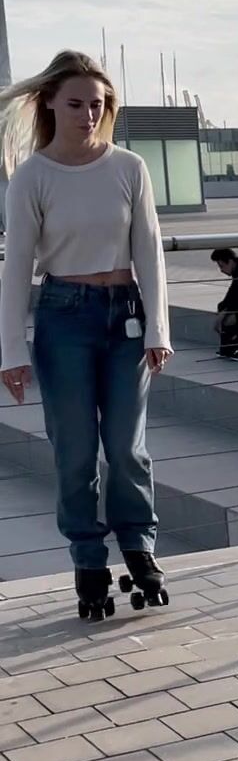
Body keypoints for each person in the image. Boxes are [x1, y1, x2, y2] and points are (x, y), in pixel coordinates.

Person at [0, 50, 172, 618]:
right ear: (50, 102)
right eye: (75, 104)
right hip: (63, 317)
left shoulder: (129, 167)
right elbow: (16, 268)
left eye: (97, 105)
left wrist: (158, 328)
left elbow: (149, 250)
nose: (88, 115)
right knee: (75, 451)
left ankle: (140, 549)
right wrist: (11, 351)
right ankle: (88, 560)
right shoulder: (32, 177)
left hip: (126, 318)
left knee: (126, 446)